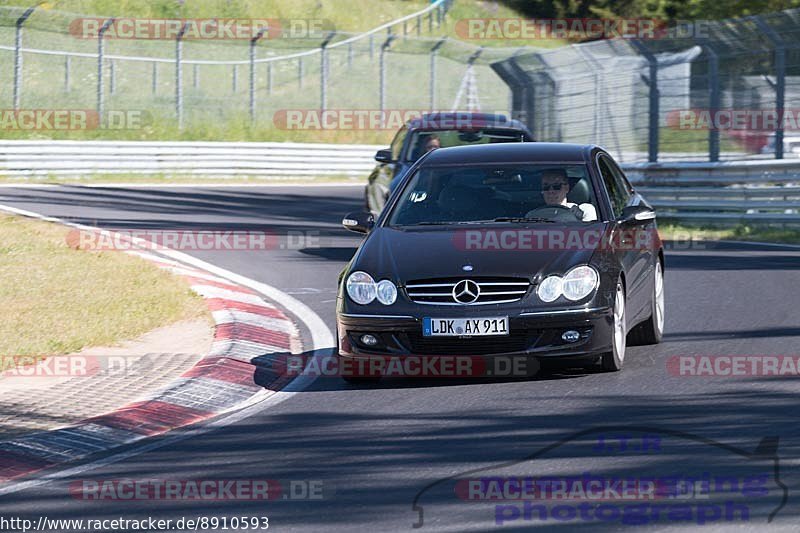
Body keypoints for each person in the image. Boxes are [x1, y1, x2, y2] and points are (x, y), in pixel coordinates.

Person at [531, 168, 598, 222]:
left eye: (556, 186)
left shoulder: (585, 210)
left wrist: (578, 220)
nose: (551, 191)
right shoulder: (532, 216)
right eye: (546, 187)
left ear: (566, 188)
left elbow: (592, 234)